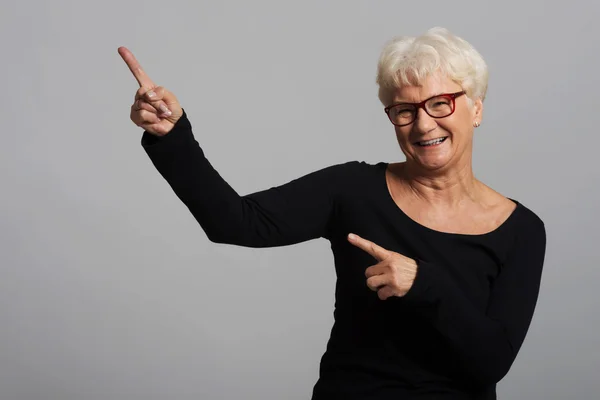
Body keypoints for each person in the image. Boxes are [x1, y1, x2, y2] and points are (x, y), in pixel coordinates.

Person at [118, 26, 546, 400]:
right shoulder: (352, 189)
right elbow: (235, 222)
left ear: (476, 108)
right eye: (405, 110)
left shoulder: (520, 229)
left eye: (440, 104)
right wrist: (173, 137)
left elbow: (491, 361)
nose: (422, 125)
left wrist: (423, 283)